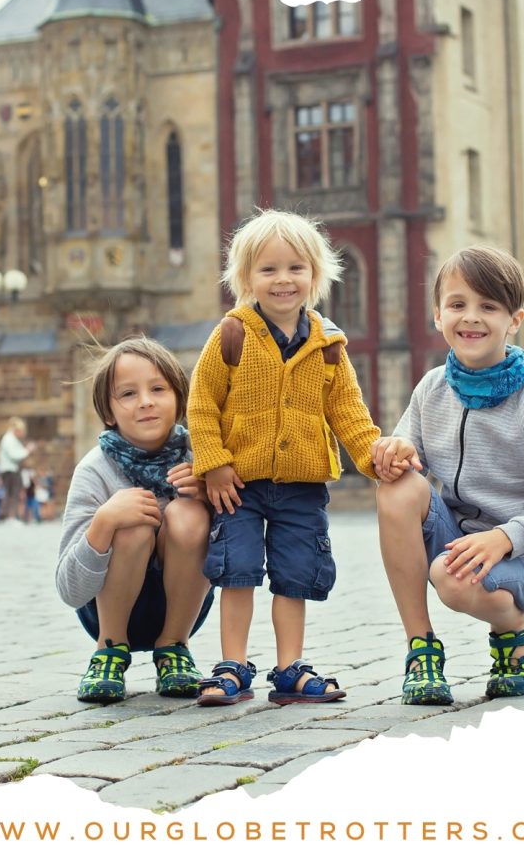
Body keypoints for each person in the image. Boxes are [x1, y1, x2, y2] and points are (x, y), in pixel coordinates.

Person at [187, 209, 384, 707]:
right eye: (268, 270)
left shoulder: (328, 346)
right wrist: (213, 461)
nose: (283, 280)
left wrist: (373, 457)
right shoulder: (231, 334)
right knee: (238, 570)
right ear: (246, 278)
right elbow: (202, 402)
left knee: (294, 576)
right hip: (241, 485)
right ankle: (233, 663)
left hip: (302, 486)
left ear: (315, 275)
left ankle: (289, 666)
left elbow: (349, 412)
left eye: (296, 268)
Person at [372, 245, 524, 706]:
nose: (471, 317)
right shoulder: (432, 387)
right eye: (458, 304)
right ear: (438, 314)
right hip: (456, 537)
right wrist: (392, 452)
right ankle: (421, 649)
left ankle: (519, 632)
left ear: (514, 320)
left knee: (451, 577)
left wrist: (504, 538)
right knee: (396, 489)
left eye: (488, 306)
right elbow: (405, 455)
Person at [56, 336, 214, 704]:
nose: (145, 401)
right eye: (127, 394)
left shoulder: (203, 458)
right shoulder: (94, 470)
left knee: (189, 512)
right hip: (104, 611)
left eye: (158, 388)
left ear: (178, 398)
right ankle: (109, 652)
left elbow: (241, 552)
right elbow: (70, 590)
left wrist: (210, 496)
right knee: (132, 517)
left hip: (183, 606)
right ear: (109, 412)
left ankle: (174, 647)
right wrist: (102, 524)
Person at [0, 416, 31, 520]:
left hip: (11, 469)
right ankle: (9, 516)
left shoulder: (11, 439)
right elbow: (14, 455)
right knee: (12, 493)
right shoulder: (9, 439)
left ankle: (8, 515)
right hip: (10, 470)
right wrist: (27, 451)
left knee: (11, 493)